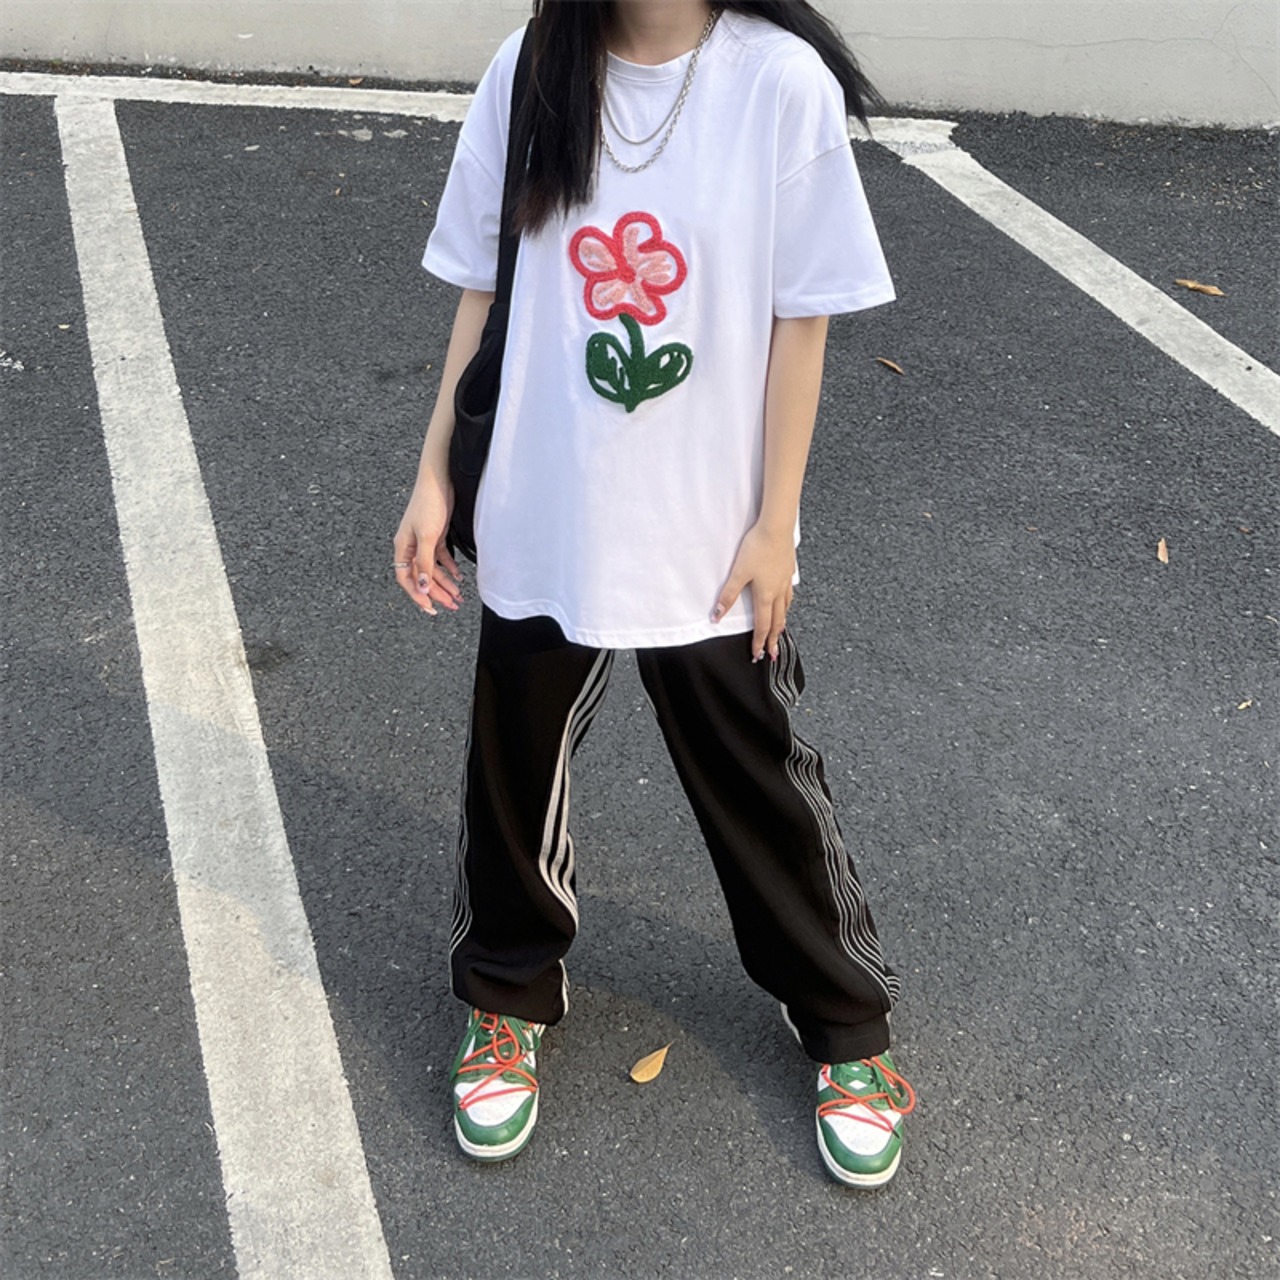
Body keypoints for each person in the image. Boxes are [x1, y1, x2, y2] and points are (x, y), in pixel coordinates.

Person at [394, 0, 915, 1188]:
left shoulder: (777, 83)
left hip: (708, 531)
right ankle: (505, 994)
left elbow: (801, 320)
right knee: (511, 767)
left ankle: (844, 1020)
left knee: (754, 774)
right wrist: (433, 472)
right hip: (544, 500)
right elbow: (481, 288)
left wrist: (774, 524)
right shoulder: (534, 67)